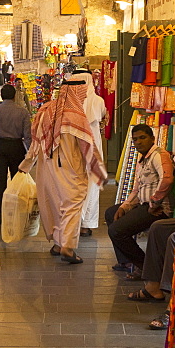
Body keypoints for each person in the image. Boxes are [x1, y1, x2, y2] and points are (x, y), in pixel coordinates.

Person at [18, 74, 107, 263]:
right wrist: (98, 172)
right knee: (72, 204)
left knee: (54, 203)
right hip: (69, 167)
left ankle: (58, 243)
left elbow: (35, 142)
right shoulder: (75, 116)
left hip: (46, 167)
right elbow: (87, 146)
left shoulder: (45, 110)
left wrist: (26, 166)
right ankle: (67, 247)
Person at [104, 123, 174, 275]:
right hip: (144, 205)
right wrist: (125, 206)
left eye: (142, 138)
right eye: (135, 140)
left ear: (152, 138)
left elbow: (167, 179)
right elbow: (137, 189)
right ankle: (126, 260)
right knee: (111, 213)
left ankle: (145, 267)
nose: (138, 142)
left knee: (116, 230)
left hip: (157, 209)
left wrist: (154, 202)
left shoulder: (158, 155)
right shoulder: (142, 160)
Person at [0, 83, 32, 224]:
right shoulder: (23, 112)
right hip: (16, 147)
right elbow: (27, 136)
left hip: (0, 147)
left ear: (2, 96)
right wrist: (30, 153)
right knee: (17, 181)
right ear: (15, 96)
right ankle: (17, 210)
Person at [79, 72, 107, 237]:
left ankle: (76, 222)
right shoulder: (98, 101)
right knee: (92, 184)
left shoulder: (71, 101)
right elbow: (102, 115)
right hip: (93, 147)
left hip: (76, 148)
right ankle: (86, 224)